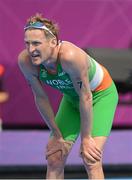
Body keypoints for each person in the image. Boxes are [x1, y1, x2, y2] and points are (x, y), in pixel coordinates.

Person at [18, 13, 118, 179]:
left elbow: (86, 97)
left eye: (36, 43)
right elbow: (41, 98)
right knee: (54, 156)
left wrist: (86, 139)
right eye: (27, 43)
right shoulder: (26, 62)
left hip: (100, 96)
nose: (31, 50)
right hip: (72, 99)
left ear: (53, 42)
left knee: (90, 157)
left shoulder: (70, 57)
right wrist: (57, 135)